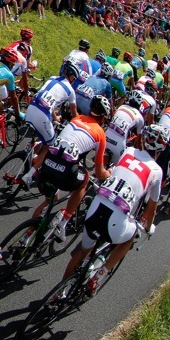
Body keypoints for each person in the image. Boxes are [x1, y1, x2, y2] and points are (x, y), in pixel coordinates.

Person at [61, 126, 163, 290]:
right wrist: (148, 227)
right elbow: (152, 208)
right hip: (116, 221)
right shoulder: (157, 171)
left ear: (144, 140)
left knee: (82, 251)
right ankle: (100, 274)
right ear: (161, 149)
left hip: (96, 208)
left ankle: (59, 292)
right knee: (132, 236)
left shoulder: (128, 151)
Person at [29, 96, 112, 242]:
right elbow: (99, 173)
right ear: (104, 118)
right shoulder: (100, 133)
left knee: (50, 200)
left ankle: (27, 234)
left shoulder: (76, 118)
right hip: (65, 173)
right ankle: (64, 222)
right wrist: (109, 173)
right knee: (85, 179)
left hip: (47, 165)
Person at [105, 90, 151, 164]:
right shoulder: (140, 117)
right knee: (119, 167)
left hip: (105, 137)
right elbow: (139, 143)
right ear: (140, 104)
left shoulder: (121, 107)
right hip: (118, 144)